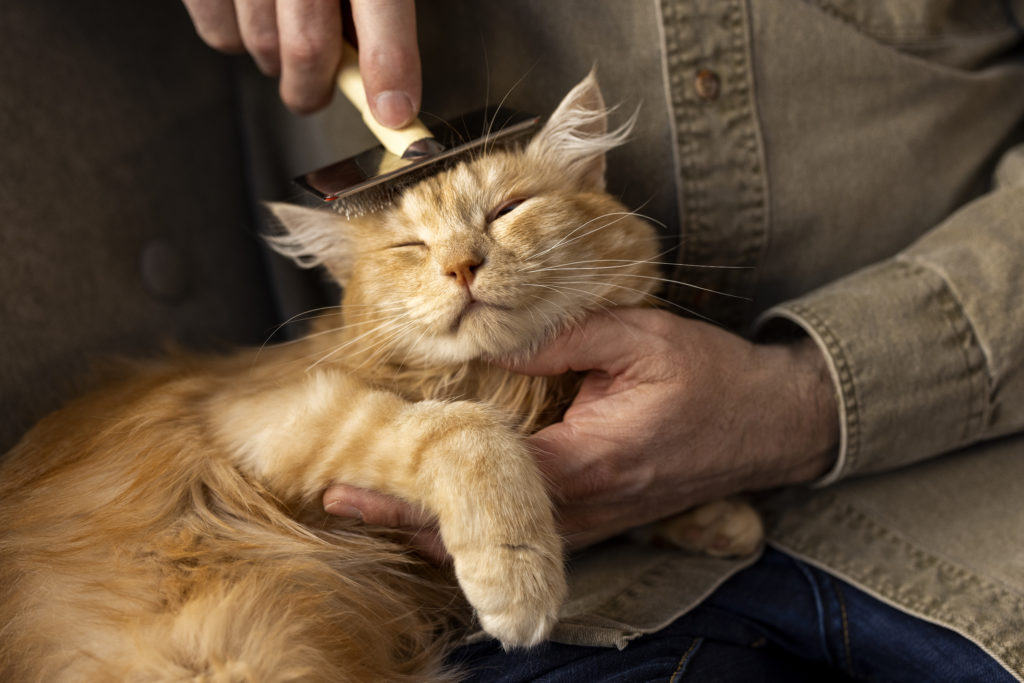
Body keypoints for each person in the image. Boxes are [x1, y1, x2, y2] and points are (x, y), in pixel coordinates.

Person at [190, 1, 1024, 680]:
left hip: (954, 484)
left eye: (507, 214)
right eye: (415, 251)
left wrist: (805, 393)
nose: (460, 263)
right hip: (570, 603)